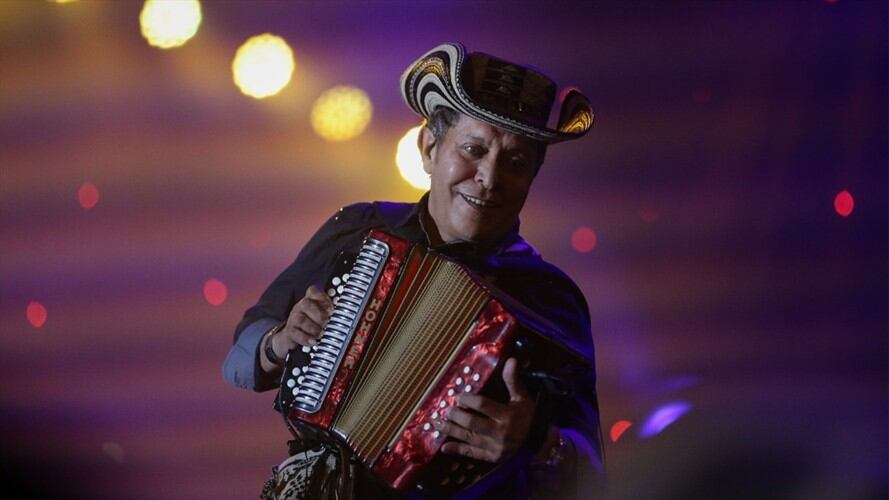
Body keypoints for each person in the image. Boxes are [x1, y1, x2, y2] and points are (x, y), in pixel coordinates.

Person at [223, 42, 603, 499]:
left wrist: (538, 443)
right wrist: (278, 342)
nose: (489, 176)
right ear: (429, 148)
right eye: (473, 149)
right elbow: (239, 359)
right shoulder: (359, 227)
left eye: (516, 162)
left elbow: (592, 474)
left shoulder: (549, 298)